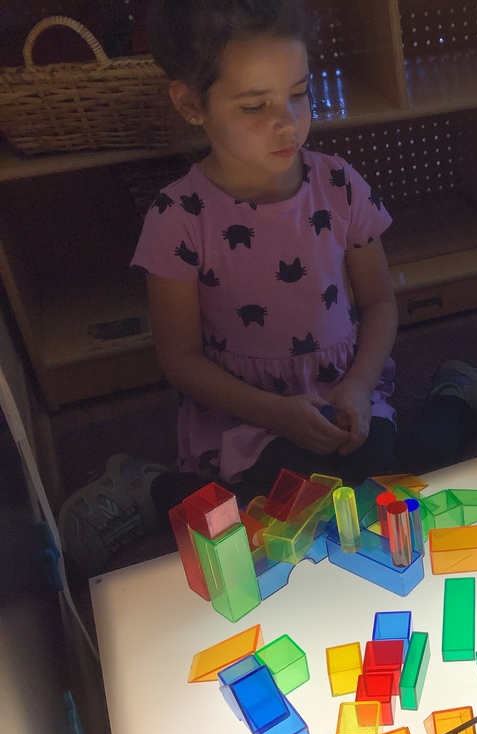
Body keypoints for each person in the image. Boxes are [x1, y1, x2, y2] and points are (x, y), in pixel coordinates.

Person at [59, 0, 399, 576]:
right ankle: (148, 487)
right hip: (246, 409)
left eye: (300, 92)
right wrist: (278, 412)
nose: (289, 121)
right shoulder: (178, 217)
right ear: (191, 104)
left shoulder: (338, 183)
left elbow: (380, 303)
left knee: (385, 473)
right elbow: (180, 359)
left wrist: (360, 386)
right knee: (268, 512)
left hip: (342, 388)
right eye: (254, 105)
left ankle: (463, 394)